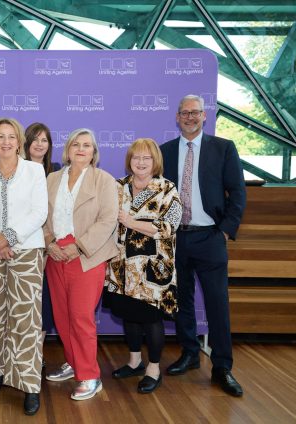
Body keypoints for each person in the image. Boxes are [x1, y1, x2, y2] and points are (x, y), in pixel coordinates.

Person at [161, 94, 246, 397]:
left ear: (205, 116)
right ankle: (189, 353)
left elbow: (237, 192)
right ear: (177, 117)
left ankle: (222, 366)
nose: (190, 117)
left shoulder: (223, 148)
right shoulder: (165, 151)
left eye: (195, 112)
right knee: (181, 300)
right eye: (185, 113)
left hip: (210, 237)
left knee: (217, 303)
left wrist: (224, 231)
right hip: (176, 238)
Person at [0, 118, 48, 416]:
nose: (6, 142)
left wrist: (9, 237)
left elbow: (39, 212)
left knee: (26, 318)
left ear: (19, 142)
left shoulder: (34, 170)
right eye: (0, 137)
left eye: (11, 137)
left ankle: (29, 385)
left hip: (26, 250)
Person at [43, 129, 118, 401]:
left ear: (94, 151)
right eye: (76, 144)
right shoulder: (52, 178)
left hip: (86, 256)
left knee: (81, 317)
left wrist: (79, 246)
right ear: (68, 149)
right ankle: (73, 362)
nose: (81, 149)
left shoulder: (104, 180)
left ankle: (89, 376)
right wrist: (50, 242)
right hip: (55, 255)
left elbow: (108, 220)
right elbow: (41, 216)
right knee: (62, 317)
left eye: (87, 145)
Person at [104, 138, 182, 394]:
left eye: (146, 158)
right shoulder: (118, 186)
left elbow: (169, 226)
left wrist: (131, 222)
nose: (140, 162)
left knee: (151, 319)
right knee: (130, 315)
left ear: (155, 161)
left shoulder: (167, 188)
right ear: (129, 161)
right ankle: (135, 362)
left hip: (153, 270)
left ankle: (153, 369)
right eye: (136, 157)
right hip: (122, 267)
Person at [24, 122, 61, 349]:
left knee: (44, 301)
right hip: (23, 244)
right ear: (26, 142)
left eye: (44, 140)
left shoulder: (57, 172)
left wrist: (49, 243)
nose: (39, 144)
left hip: (50, 246)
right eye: (35, 139)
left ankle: (35, 354)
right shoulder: (16, 169)